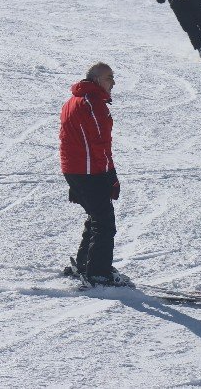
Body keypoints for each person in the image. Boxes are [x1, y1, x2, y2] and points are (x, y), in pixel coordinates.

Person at [59, 62, 129, 286]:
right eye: (109, 78)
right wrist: (111, 177)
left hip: (77, 170)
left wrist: (73, 178)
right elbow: (100, 145)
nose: (113, 83)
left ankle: (85, 263)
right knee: (105, 222)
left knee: (96, 217)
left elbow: (69, 141)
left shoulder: (72, 102)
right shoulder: (93, 105)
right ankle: (98, 274)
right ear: (97, 80)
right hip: (89, 171)